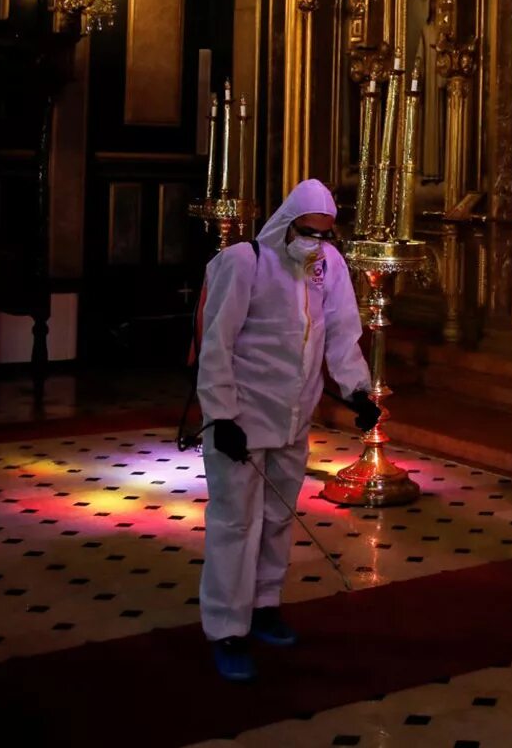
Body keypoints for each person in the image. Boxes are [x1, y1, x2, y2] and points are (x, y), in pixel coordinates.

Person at [196, 179, 381, 682]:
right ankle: (226, 628)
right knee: (236, 523)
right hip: (240, 418)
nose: (314, 243)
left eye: (324, 234)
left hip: (294, 416)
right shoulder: (245, 262)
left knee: (278, 518)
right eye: (306, 232)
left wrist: (357, 391)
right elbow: (217, 345)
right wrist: (222, 415)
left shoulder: (328, 266)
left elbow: (340, 333)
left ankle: (264, 605)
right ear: (286, 224)